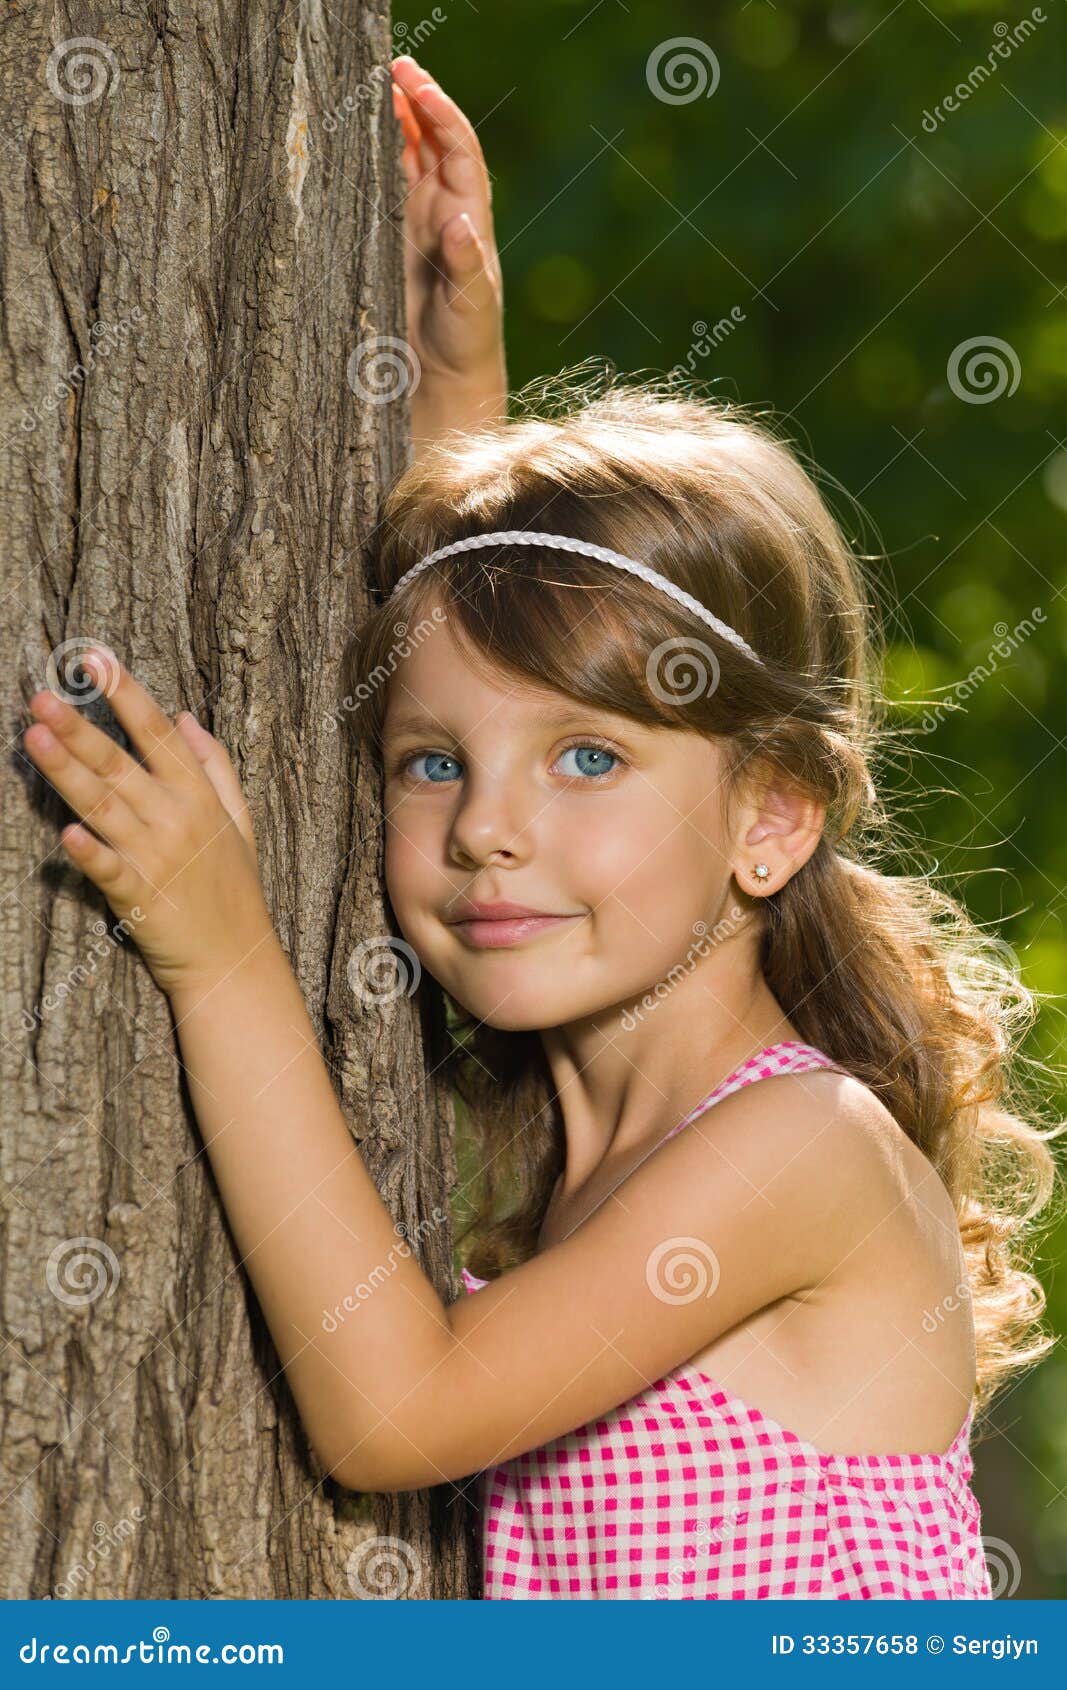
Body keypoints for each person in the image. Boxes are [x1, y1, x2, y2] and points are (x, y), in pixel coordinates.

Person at [20, 57, 1060, 1601]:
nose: (489, 827)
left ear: (772, 815)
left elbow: (395, 1408)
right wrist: (445, 379)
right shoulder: (594, 1141)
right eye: (432, 766)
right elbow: (474, 650)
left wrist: (221, 946)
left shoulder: (801, 1148)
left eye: (588, 757)